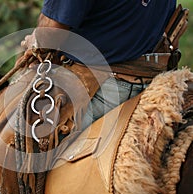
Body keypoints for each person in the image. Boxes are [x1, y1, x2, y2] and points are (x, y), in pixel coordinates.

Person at [21, 0, 181, 126]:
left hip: (101, 88)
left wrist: (36, 40)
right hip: (157, 84)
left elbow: (52, 32)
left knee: (19, 131)